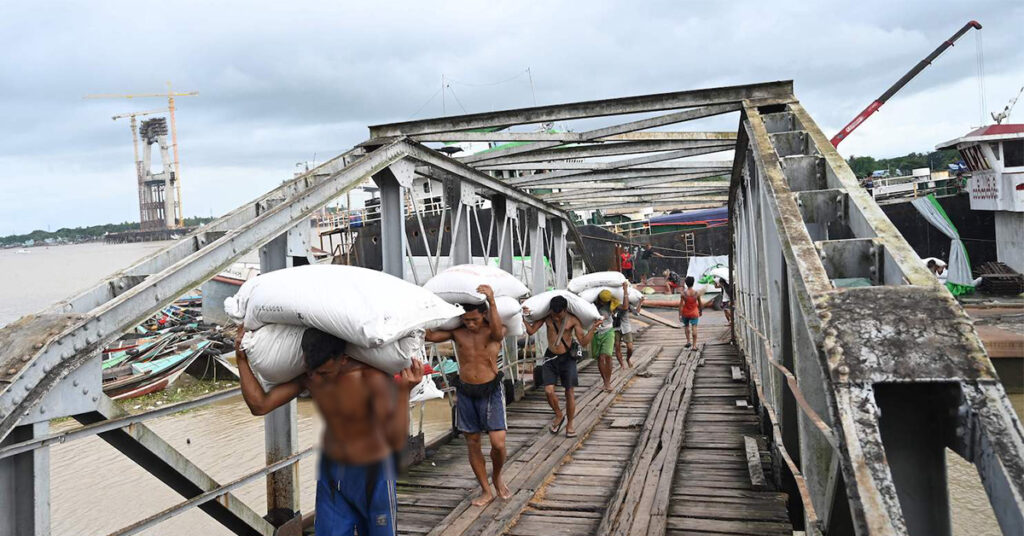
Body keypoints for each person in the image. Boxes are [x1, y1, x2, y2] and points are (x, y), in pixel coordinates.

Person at [234, 327, 424, 536]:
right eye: (310, 371)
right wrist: (241, 361)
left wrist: (405, 391)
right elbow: (260, 406)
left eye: (324, 372)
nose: (317, 378)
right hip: (332, 477)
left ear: (343, 359)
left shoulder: (374, 377)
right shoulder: (311, 378)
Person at [424, 285, 509, 506]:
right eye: (466, 320)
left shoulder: (492, 330)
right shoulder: (457, 331)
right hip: (465, 389)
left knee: (498, 443)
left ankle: (497, 476)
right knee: (472, 441)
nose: (470, 324)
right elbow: (431, 336)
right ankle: (485, 490)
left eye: (474, 320)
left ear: (484, 315)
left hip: (490, 388)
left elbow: (500, 333)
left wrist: (492, 300)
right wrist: (424, 308)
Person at [523, 295, 601, 439]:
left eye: (559, 315)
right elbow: (531, 331)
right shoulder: (547, 317)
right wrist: (521, 316)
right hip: (550, 357)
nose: (557, 318)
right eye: (554, 315)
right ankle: (559, 414)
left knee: (569, 392)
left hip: (567, 359)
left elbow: (583, 342)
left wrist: (593, 329)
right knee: (548, 390)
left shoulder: (572, 320)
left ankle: (570, 424)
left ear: (565, 310)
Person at [592, 285, 626, 392]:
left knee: (607, 356)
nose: (604, 303)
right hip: (596, 333)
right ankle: (605, 381)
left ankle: (608, 383)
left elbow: (625, 307)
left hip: (608, 331)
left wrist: (625, 291)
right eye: (602, 301)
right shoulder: (592, 304)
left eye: (605, 302)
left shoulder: (611, 303)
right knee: (600, 358)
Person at [614, 286, 642, 369]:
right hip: (615, 327)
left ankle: (628, 359)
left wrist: (640, 302)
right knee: (617, 346)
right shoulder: (612, 303)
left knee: (630, 348)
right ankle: (622, 364)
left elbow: (636, 313)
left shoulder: (628, 304)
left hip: (626, 327)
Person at [678, 276, 704, 348]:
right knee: (694, 327)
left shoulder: (683, 294)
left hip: (686, 312)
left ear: (686, 283)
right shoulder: (697, 293)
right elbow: (700, 303)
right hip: (694, 312)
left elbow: (680, 305)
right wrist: (700, 311)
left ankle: (688, 341)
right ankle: (694, 346)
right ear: (693, 283)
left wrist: (680, 315)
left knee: (686, 326)